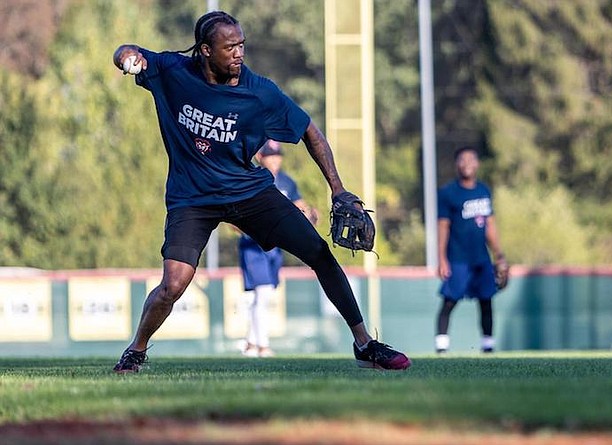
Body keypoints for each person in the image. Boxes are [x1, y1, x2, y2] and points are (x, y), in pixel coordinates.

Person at [111, 10, 411, 372]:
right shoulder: (174, 72)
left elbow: (310, 133)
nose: (239, 53)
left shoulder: (260, 92)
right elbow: (126, 51)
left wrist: (338, 189)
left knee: (318, 252)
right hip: (192, 198)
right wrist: (127, 57)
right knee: (173, 284)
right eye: (229, 47)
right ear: (205, 50)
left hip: (248, 192)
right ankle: (137, 349)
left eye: (241, 45)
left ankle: (364, 344)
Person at [237, 139, 318, 358]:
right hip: (253, 247)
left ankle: (251, 343)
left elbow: (300, 207)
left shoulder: (286, 182)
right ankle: (262, 345)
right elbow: (233, 218)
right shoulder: (250, 179)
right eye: (270, 154)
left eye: (277, 154)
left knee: (263, 295)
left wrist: (309, 216)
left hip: (275, 248)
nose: (275, 159)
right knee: (262, 294)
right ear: (259, 157)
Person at [434, 146, 506, 354]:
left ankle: (488, 346)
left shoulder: (483, 190)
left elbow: (490, 225)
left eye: (471, 159)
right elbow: (443, 226)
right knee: (449, 301)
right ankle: (441, 347)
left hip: (481, 258)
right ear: (456, 164)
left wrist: (499, 254)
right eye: (462, 160)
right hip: (457, 257)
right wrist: (442, 258)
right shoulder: (448, 193)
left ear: (477, 164)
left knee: (486, 300)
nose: (467, 163)